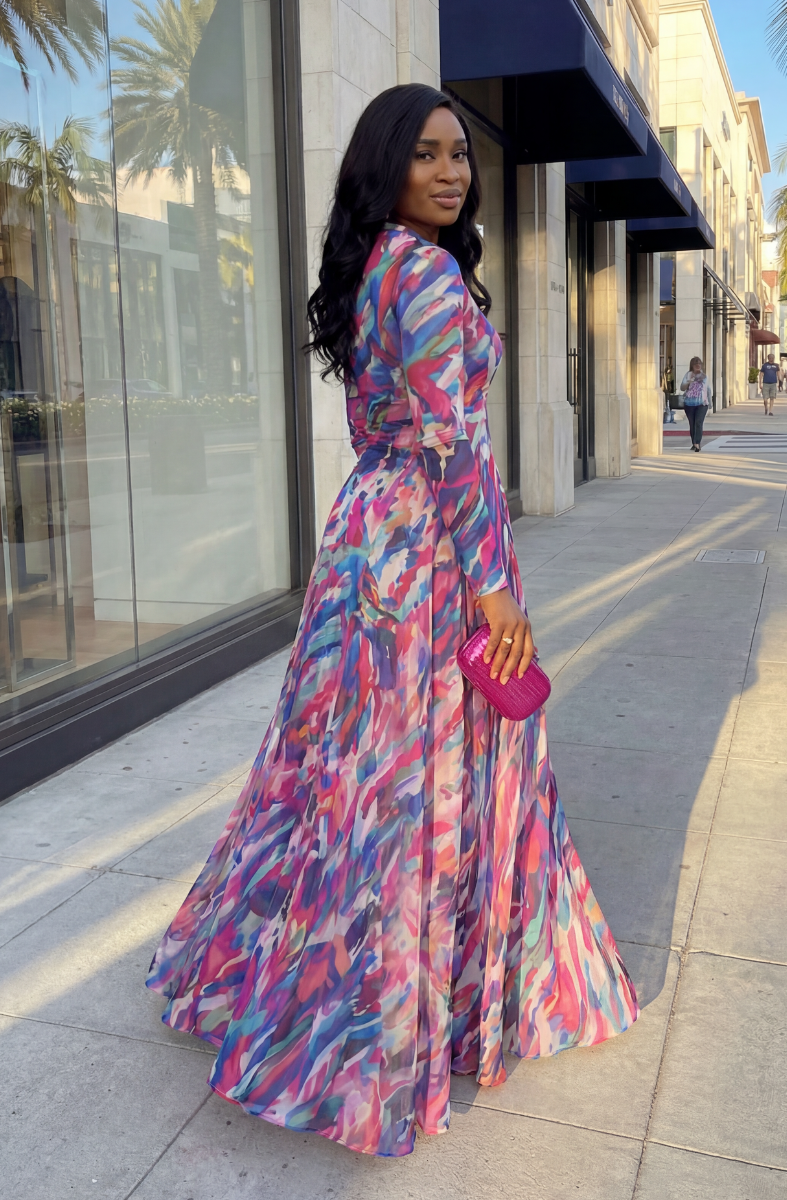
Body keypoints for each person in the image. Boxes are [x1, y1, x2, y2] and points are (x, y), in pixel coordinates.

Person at [145, 84, 638, 1158]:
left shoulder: (376, 265)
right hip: (421, 546)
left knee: (338, 772)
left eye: (459, 153)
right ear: (386, 167)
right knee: (407, 780)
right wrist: (495, 587)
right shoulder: (417, 272)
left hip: (370, 536)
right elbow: (457, 450)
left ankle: (276, 976)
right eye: (425, 155)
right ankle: (361, 1030)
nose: (452, 171)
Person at [680, 356, 712, 451]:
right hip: (689, 403)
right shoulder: (688, 375)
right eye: (695, 364)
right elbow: (682, 387)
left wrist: (710, 402)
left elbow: (708, 389)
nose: (698, 365)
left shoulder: (704, 376)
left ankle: (697, 443)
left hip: (702, 404)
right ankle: (694, 442)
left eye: (699, 363)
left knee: (698, 423)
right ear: (692, 365)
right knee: (692, 424)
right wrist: (689, 382)